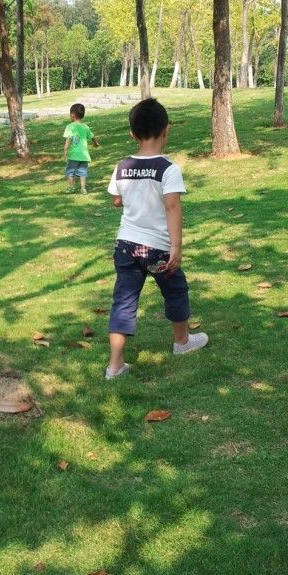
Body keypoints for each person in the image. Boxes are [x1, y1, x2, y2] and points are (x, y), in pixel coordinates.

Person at [105, 98, 208, 380]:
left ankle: (115, 365)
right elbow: (172, 206)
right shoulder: (168, 168)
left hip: (126, 246)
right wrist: (176, 246)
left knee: (123, 300)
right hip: (157, 249)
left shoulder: (122, 165)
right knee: (175, 290)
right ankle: (182, 342)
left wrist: (128, 198)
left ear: (132, 134)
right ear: (166, 130)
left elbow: (117, 199)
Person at [63, 103, 99, 194]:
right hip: (84, 156)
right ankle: (83, 188)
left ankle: (71, 187)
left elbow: (68, 141)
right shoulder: (85, 127)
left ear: (72, 115)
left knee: (70, 171)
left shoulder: (70, 127)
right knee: (83, 172)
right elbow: (93, 137)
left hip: (73, 155)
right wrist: (96, 144)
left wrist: (65, 151)